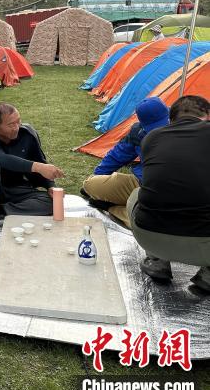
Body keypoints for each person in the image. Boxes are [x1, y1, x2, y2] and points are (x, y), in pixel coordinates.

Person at [128, 95, 210, 291]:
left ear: (171, 119)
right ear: (207, 116)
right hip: (203, 246)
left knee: (136, 194)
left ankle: (157, 261)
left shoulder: (151, 138)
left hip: (149, 237)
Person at [0, 103, 65, 234]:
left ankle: (0, 210)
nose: (17, 127)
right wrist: (39, 167)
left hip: (16, 189)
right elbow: (3, 159)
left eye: (18, 121)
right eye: (11, 124)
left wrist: (50, 186)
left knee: (52, 203)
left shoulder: (27, 136)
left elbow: (39, 161)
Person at [81, 97, 169, 226]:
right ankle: (131, 207)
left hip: (170, 190)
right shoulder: (138, 133)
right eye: (153, 127)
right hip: (141, 182)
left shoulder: (185, 129)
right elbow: (117, 155)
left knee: (150, 222)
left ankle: (114, 208)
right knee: (90, 184)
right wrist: (98, 175)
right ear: (143, 124)